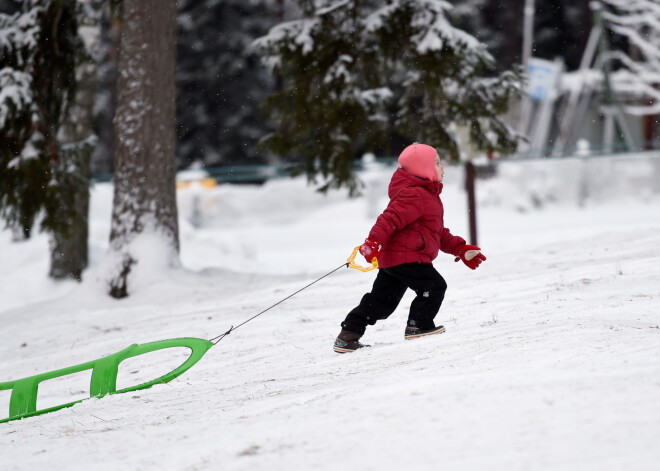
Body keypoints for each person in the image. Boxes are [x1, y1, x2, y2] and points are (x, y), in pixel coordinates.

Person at [333, 143, 486, 353]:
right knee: (433, 287)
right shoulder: (415, 195)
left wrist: (460, 249)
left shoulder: (426, 196)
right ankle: (418, 325)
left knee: (382, 302)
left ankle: (348, 334)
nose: (443, 168)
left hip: (396, 259)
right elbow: (389, 219)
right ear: (424, 169)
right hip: (408, 257)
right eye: (437, 163)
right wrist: (372, 242)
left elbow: (437, 233)